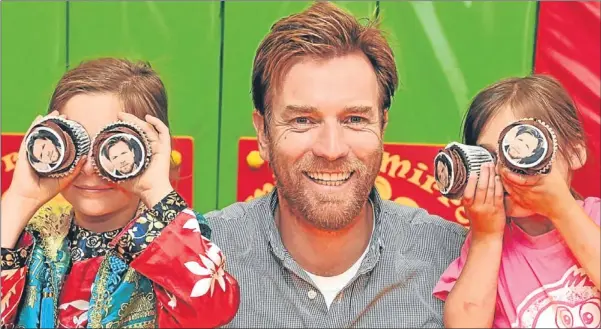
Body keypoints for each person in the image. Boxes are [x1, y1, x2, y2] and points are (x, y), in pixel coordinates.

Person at [204, 2, 466, 327]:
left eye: (354, 119)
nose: (331, 149)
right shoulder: (200, 258)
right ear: (263, 133)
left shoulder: (456, 262)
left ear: (382, 127)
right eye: (303, 120)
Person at [0, 58, 240, 328]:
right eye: (75, 144)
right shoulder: (35, 242)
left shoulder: (178, 241)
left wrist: (155, 188)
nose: (90, 167)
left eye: (113, 146)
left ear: (149, 149)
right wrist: (21, 198)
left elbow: (211, 309)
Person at [433, 75, 600, 328]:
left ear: (574, 153)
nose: (506, 171)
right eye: (490, 157)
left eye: (523, 152)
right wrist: (486, 238)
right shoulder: (487, 243)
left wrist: (562, 209)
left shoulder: (595, 217)